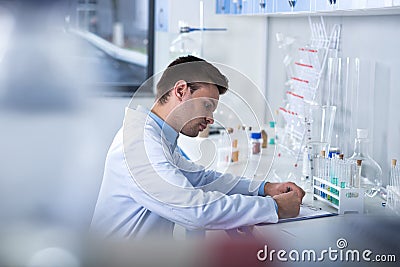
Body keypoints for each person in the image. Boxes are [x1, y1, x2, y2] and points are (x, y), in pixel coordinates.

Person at [90, 56, 304, 239]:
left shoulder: (156, 137)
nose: (210, 119)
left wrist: (264, 189)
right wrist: (274, 208)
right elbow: (195, 211)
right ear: (181, 90)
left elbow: (201, 179)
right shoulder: (140, 145)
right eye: (207, 106)